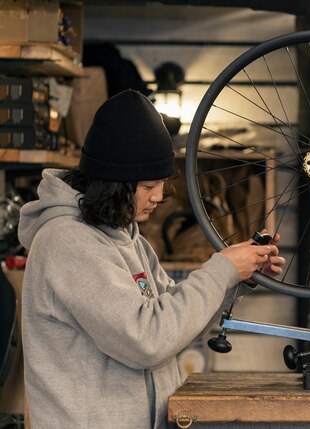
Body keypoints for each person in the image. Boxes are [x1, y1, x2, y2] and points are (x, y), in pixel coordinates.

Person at [17, 89, 285, 428]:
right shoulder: (67, 243)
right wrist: (221, 270)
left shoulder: (125, 237)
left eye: (161, 183)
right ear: (115, 182)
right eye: (147, 186)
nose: (159, 196)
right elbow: (146, 340)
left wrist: (235, 279)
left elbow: (175, 329)